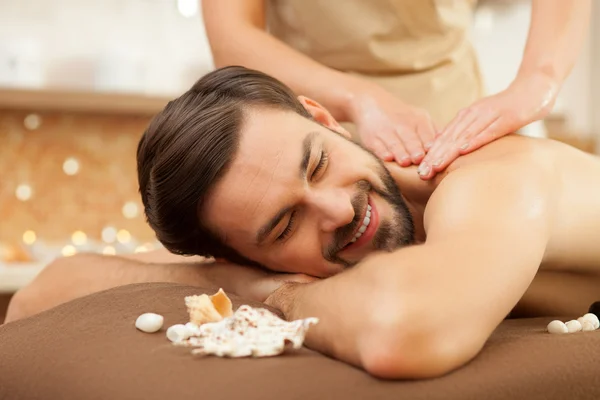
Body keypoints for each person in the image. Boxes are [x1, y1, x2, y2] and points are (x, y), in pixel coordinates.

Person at [7, 67, 600, 380]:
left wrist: (277, 294)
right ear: (243, 254)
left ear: (324, 119)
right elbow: (43, 293)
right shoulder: (247, 257)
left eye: (318, 162)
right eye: (285, 225)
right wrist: (235, 282)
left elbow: (403, 332)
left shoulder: (489, 179)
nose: (339, 211)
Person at [202, 0, 591, 179]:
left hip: (453, 114)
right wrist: (360, 98)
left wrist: (539, 79)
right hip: (311, 115)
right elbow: (232, 37)